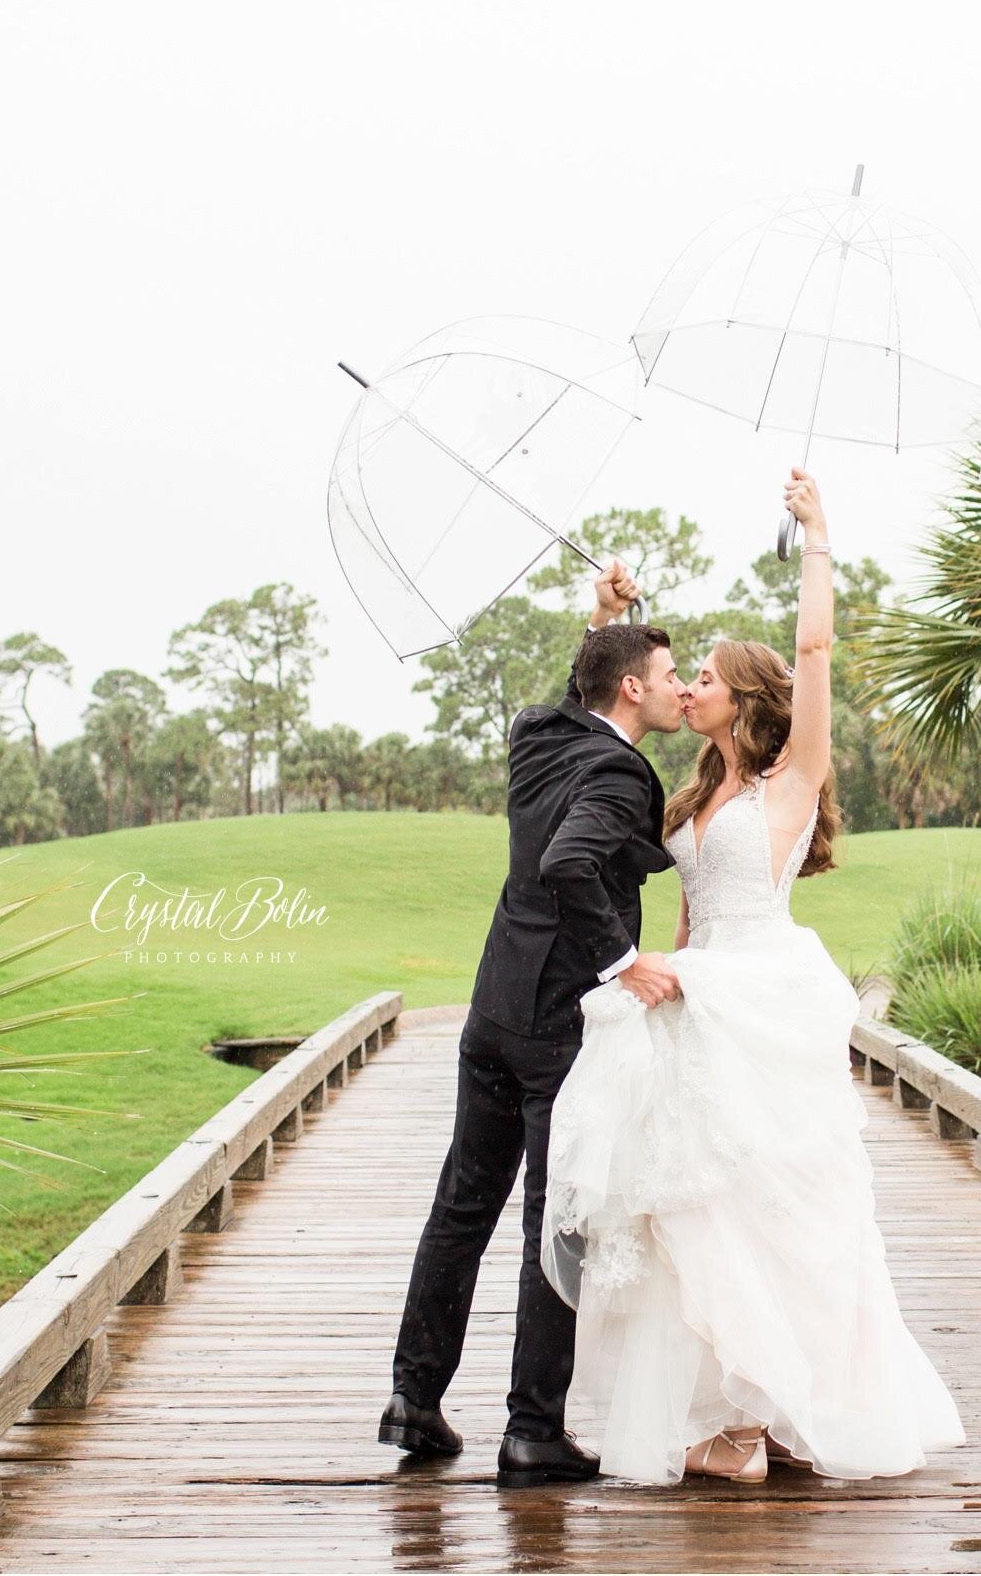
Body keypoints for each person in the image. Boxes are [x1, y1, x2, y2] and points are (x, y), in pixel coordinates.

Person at [540, 468, 967, 1485]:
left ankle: (789, 1404)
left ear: (747, 699)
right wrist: (604, 621)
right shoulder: (690, 790)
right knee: (696, 1210)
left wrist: (818, 536)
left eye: (709, 680)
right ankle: (731, 1418)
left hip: (762, 995)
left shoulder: (789, 779)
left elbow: (815, 650)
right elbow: (602, 717)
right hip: (698, 995)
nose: (692, 688)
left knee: (776, 1202)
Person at [378, 585, 688, 1488]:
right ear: (631, 689)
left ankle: (412, 1400)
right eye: (666, 674)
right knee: (557, 1221)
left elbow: (568, 696)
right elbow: (569, 863)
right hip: (558, 1028)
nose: (676, 687)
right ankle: (532, 1431)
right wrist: (624, 960)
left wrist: (601, 621)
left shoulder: (538, 735)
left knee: (461, 1208)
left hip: (492, 1011)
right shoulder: (622, 773)